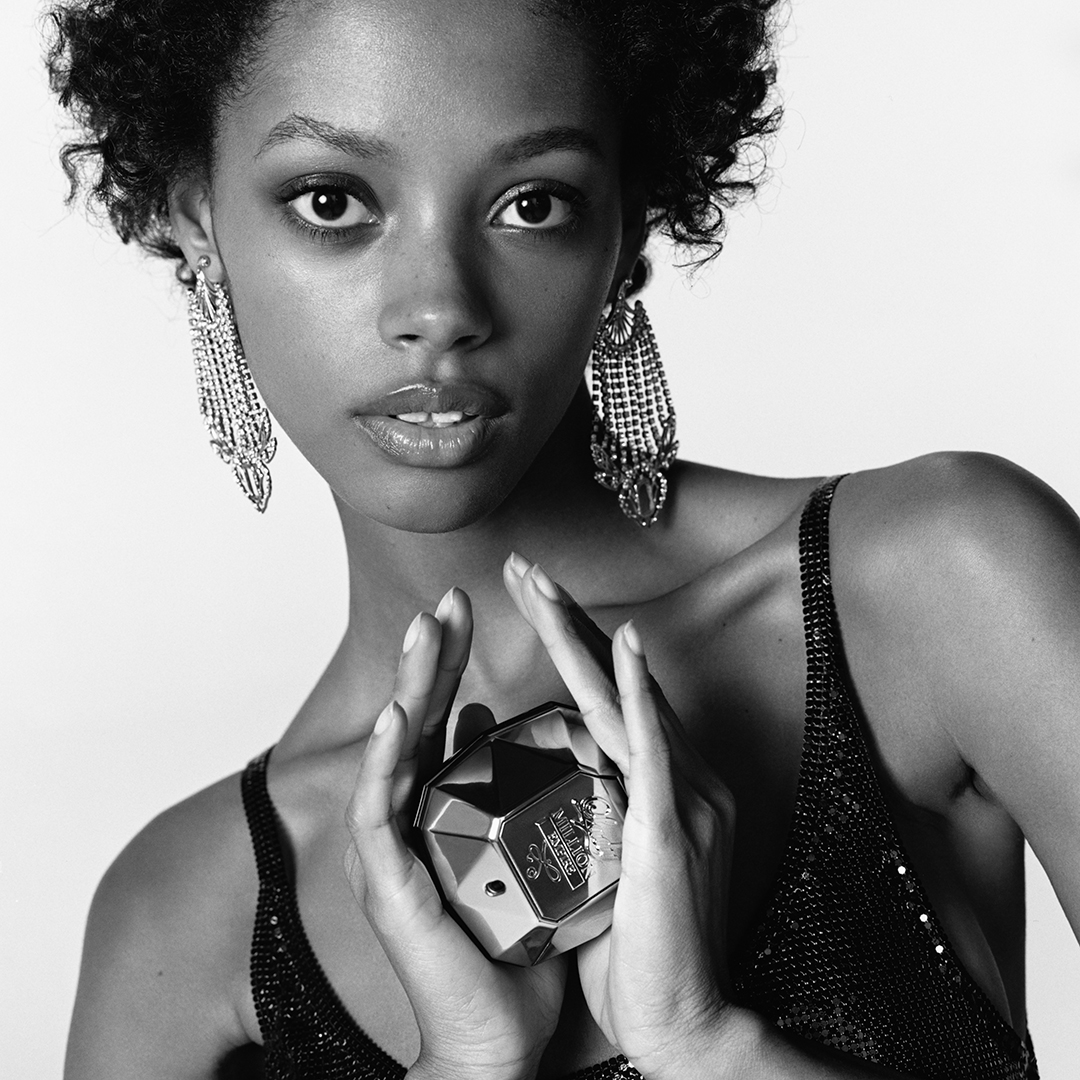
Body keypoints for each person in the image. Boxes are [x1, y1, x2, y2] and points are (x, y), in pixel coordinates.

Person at [47, 0, 1079, 1077]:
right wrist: (468, 1063)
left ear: (626, 227)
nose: (439, 306)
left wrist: (706, 1049)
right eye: (332, 201)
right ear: (197, 219)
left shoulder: (939, 586)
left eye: (531, 204)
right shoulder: (185, 916)